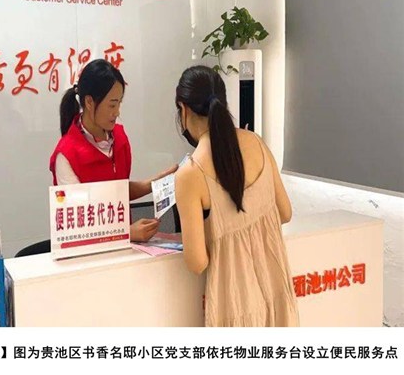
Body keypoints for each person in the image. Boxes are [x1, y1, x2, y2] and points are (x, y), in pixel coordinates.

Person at [174, 65, 299, 327]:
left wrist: (219, 231)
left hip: (235, 304)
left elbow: (197, 262)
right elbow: (285, 212)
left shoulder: (190, 173)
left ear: (183, 110)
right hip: (276, 290)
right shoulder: (256, 142)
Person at [49, 59, 177, 242]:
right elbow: (77, 222)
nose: (117, 112)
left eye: (119, 104)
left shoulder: (120, 139)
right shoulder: (67, 154)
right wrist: (127, 232)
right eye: (112, 105)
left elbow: (118, 189)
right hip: (88, 252)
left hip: (125, 248)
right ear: (89, 102)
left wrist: (159, 182)